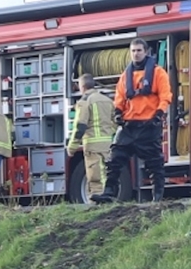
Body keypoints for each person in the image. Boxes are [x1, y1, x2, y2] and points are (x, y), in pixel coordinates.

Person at [107, 39, 171, 202]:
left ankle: (158, 196)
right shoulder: (125, 76)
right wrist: (118, 113)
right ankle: (108, 191)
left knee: (155, 163)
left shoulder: (158, 73)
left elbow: (166, 96)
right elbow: (119, 98)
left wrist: (158, 114)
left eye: (138, 51)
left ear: (146, 52)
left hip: (149, 125)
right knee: (115, 157)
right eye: (133, 51)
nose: (135, 54)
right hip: (129, 125)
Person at [66, 74, 116, 205]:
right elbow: (115, 122)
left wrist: (72, 147)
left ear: (82, 87)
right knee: (106, 173)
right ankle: (107, 201)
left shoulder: (84, 101)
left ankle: (96, 206)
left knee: (95, 178)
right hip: (108, 144)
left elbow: (80, 126)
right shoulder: (107, 100)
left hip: (92, 145)